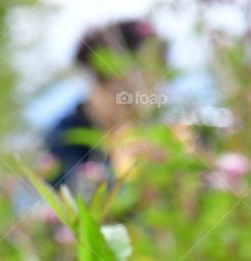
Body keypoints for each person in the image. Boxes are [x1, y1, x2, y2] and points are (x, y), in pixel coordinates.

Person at [46, 19, 167, 189]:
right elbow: (63, 198)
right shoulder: (67, 137)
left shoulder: (163, 128)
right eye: (123, 86)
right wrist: (116, 170)